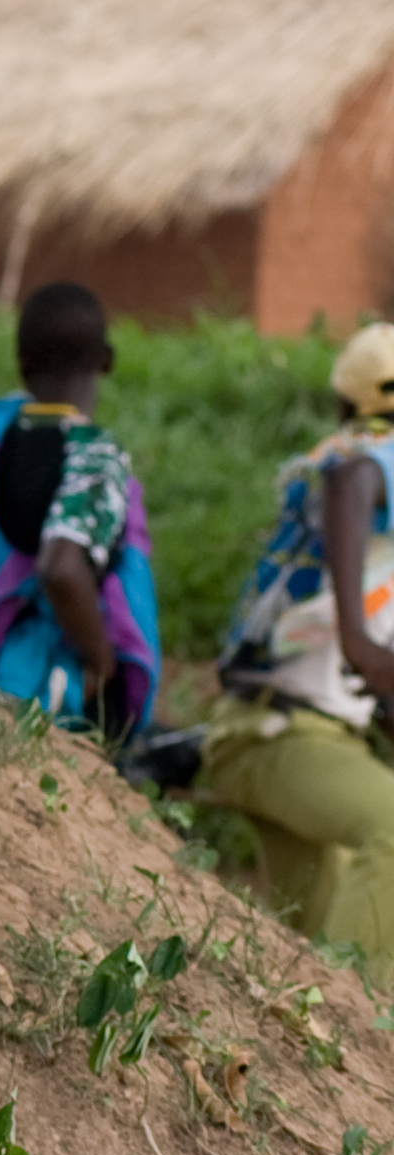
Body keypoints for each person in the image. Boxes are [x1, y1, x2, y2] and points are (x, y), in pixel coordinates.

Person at [199, 323, 394, 955]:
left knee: (310, 947)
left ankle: (317, 1044)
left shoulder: (330, 484)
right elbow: (358, 477)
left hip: (282, 734)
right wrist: (361, 645)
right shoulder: (365, 459)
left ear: (341, 400)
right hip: (279, 733)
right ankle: (356, 1032)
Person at [0, 282, 157, 734]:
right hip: (42, 684)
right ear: (106, 361)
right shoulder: (94, 457)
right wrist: (102, 662)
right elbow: (61, 568)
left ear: (22, 363)